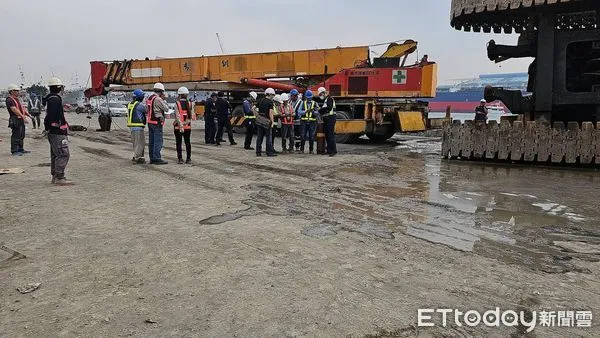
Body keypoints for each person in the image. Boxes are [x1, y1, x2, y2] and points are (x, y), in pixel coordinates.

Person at [43, 77, 72, 185]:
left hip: (53, 131)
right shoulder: (55, 99)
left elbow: (49, 115)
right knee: (63, 154)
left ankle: (55, 176)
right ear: (59, 87)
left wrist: (48, 128)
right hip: (57, 132)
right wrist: (54, 126)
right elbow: (51, 116)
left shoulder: (50, 98)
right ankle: (59, 177)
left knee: (56, 154)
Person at [146, 82, 170, 165]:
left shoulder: (149, 98)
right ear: (161, 91)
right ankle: (157, 158)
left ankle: (152, 158)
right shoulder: (158, 99)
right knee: (158, 141)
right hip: (157, 122)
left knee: (152, 141)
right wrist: (164, 100)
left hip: (150, 122)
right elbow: (166, 109)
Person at [6, 84, 31, 155]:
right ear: (11, 91)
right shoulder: (9, 100)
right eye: (16, 91)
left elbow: (22, 109)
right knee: (16, 135)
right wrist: (23, 116)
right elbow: (14, 110)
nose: (18, 92)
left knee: (21, 135)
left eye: (18, 91)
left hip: (20, 119)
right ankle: (14, 150)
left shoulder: (18, 100)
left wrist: (28, 115)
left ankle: (20, 149)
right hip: (15, 119)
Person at [174, 86, 196, 164]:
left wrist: (181, 125)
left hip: (178, 127)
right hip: (187, 127)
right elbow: (193, 117)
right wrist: (185, 123)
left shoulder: (177, 103)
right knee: (187, 142)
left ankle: (180, 159)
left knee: (178, 143)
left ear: (179, 94)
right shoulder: (191, 104)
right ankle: (188, 159)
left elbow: (177, 116)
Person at [127, 89, 147, 164]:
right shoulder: (139, 105)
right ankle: (137, 157)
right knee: (140, 143)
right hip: (138, 127)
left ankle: (137, 156)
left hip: (132, 127)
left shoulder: (130, 104)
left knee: (136, 143)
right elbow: (146, 110)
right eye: (143, 96)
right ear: (140, 97)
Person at [256, 88, 276, 157]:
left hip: (260, 120)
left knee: (259, 137)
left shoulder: (260, 100)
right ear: (270, 94)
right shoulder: (270, 102)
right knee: (268, 137)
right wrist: (272, 122)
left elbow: (253, 108)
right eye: (272, 95)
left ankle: (258, 152)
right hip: (267, 121)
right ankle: (269, 152)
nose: (273, 96)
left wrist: (257, 116)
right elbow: (271, 112)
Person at [318, 86, 337, 157]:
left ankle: (333, 151)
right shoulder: (326, 100)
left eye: (320, 94)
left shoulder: (329, 99)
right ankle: (329, 150)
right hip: (327, 119)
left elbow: (329, 108)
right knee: (327, 135)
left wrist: (320, 110)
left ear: (323, 93)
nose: (320, 96)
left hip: (331, 119)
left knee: (330, 135)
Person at [300, 90, 318, 154]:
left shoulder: (315, 103)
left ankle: (311, 150)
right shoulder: (303, 103)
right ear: (306, 97)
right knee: (302, 136)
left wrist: (313, 112)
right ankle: (301, 149)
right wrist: (305, 111)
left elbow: (318, 112)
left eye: (310, 97)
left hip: (312, 122)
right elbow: (299, 112)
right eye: (308, 98)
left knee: (312, 136)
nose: (309, 99)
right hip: (304, 121)